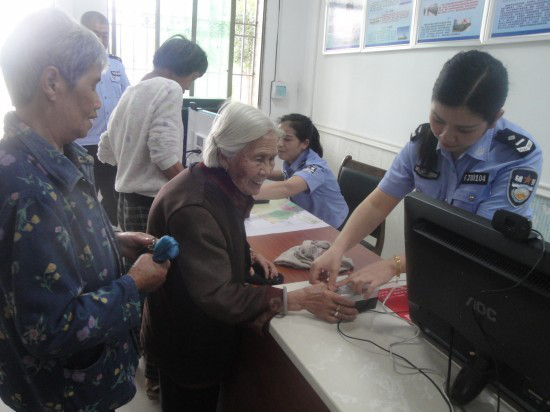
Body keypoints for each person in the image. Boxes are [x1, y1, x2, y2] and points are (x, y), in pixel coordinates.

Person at [0, 8, 169, 412]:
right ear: (52, 83)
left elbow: (55, 247)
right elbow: (51, 330)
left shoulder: (60, 159)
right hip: (65, 395)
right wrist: (135, 285)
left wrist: (114, 240)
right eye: (93, 85)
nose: (98, 103)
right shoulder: (29, 190)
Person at [142, 101, 358, 411]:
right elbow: (217, 294)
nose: (267, 170)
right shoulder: (195, 207)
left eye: (271, 159)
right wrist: (294, 299)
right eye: (259, 159)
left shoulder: (215, 179)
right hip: (188, 339)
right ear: (224, 154)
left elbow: (220, 230)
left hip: (189, 327)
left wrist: (246, 252)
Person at [310, 50, 542, 295]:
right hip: (431, 266)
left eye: (464, 130)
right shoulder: (422, 142)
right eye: (438, 119)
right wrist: (337, 249)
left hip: (484, 278)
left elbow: (480, 241)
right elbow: (378, 203)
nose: (445, 136)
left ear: (495, 118)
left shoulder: (516, 156)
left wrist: (393, 264)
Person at [98, 34, 207, 400]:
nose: (189, 86)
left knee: (141, 284)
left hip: (125, 199)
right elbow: (162, 152)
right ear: (185, 71)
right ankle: (160, 374)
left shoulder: (131, 91)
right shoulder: (169, 89)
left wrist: (132, 161)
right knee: (164, 287)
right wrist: (193, 185)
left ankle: (140, 360)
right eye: (193, 78)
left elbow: (105, 151)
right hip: (153, 202)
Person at [77, 11, 130, 226]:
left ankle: (112, 236)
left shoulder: (116, 65)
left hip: (111, 143)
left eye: (105, 34)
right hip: (83, 143)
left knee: (113, 195)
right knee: (84, 197)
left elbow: (127, 98)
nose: (100, 39)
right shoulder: (73, 65)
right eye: (95, 33)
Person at [255, 113, 349, 228]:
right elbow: (286, 175)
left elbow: (288, 187)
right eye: (278, 137)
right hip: (308, 218)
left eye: (287, 139)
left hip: (333, 225)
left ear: (304, 143)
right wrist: (261, 172)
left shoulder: (316, 167)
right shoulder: (292, 159)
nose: (279, 144)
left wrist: (244, 192)